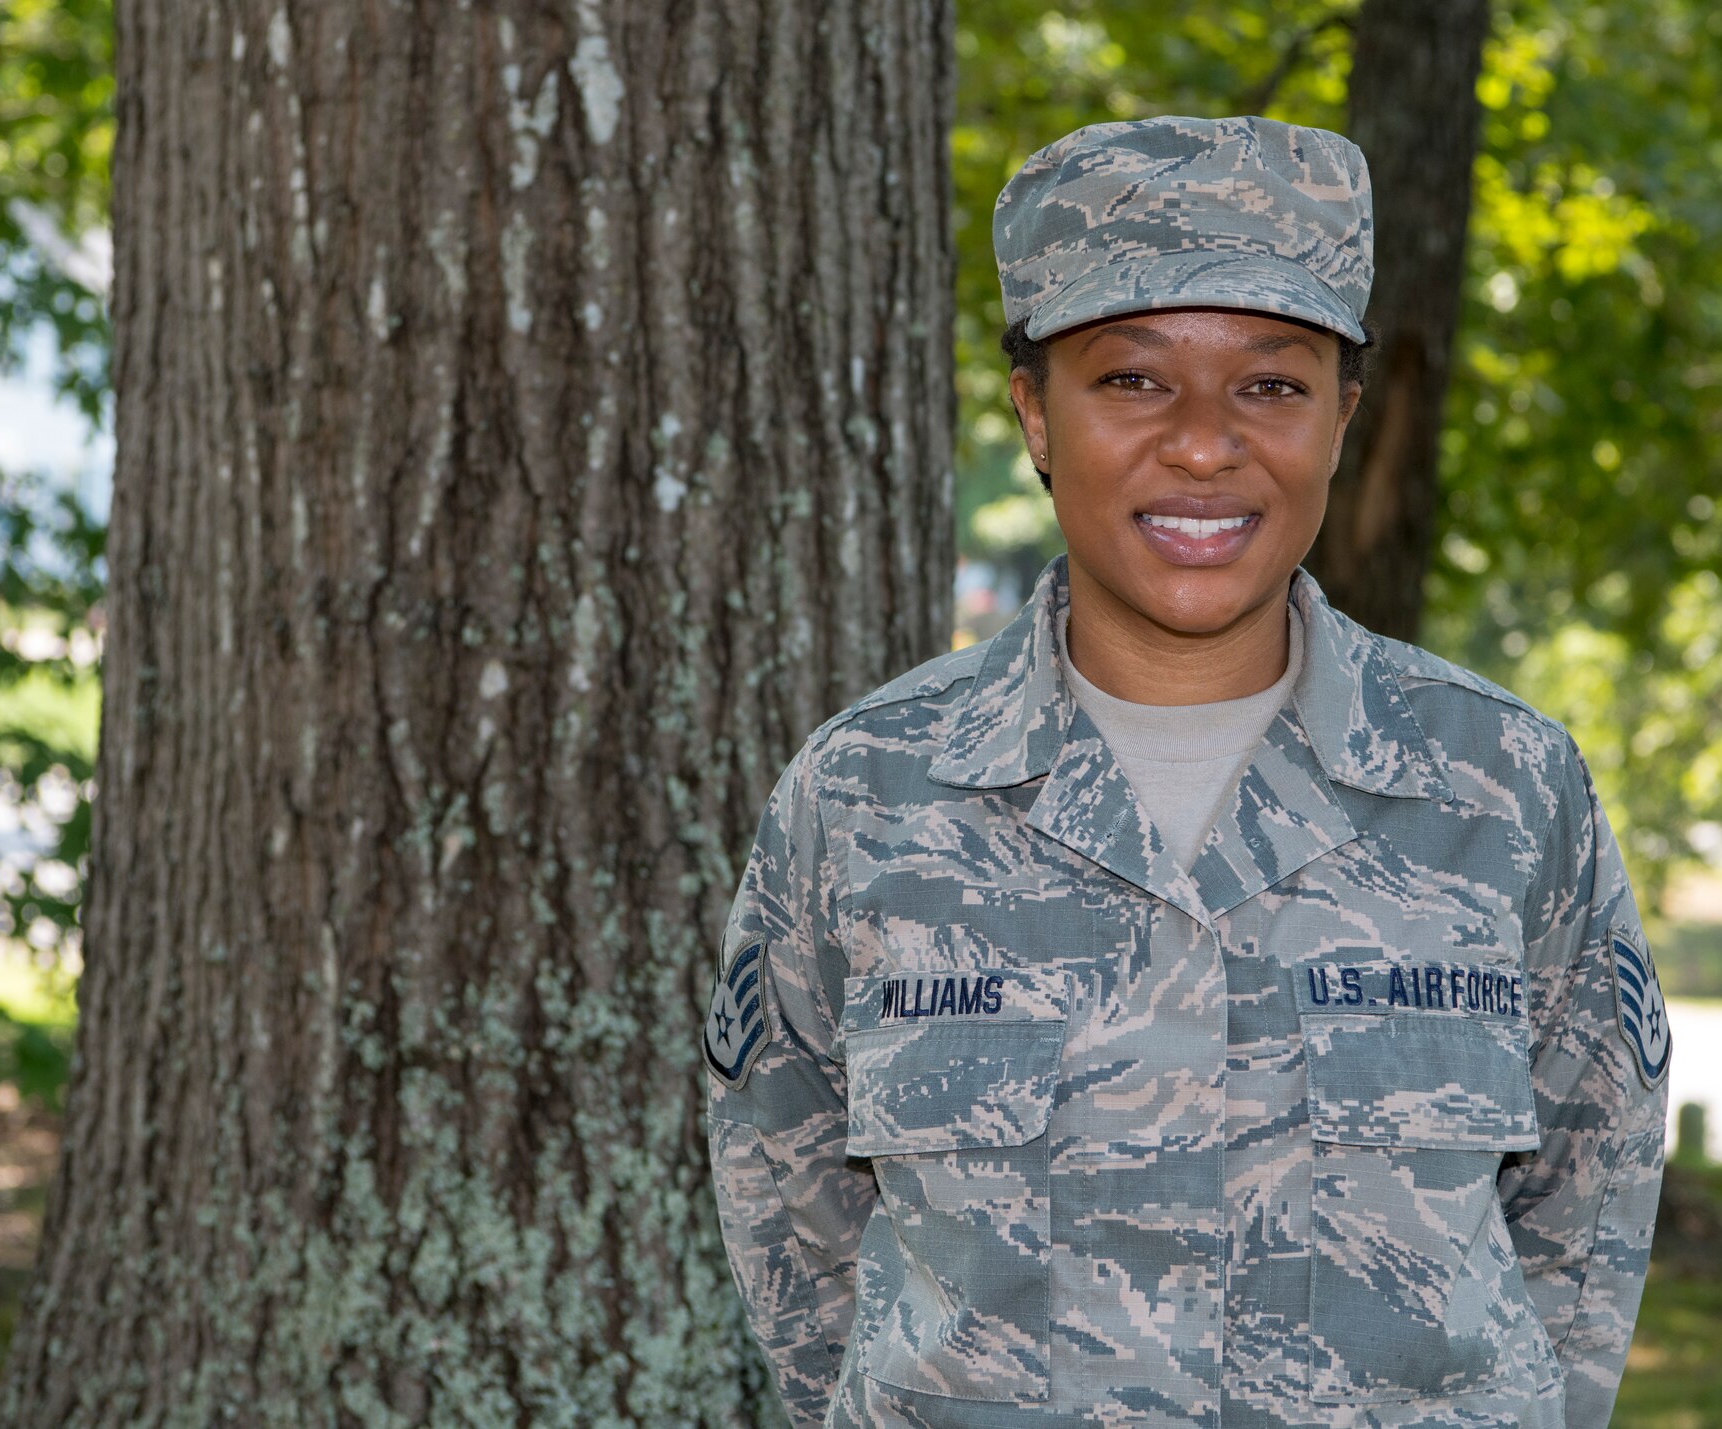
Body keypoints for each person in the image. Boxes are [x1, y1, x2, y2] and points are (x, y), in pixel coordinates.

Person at [703, 114, 1670, 1429]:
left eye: (1271, 383)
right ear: (1035, 413)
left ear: (1345, 413)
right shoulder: (871, 796)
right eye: (1133, 381)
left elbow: (1587, 1200)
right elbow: (794, 1217)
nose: (1205, 445)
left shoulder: (1502, 788)